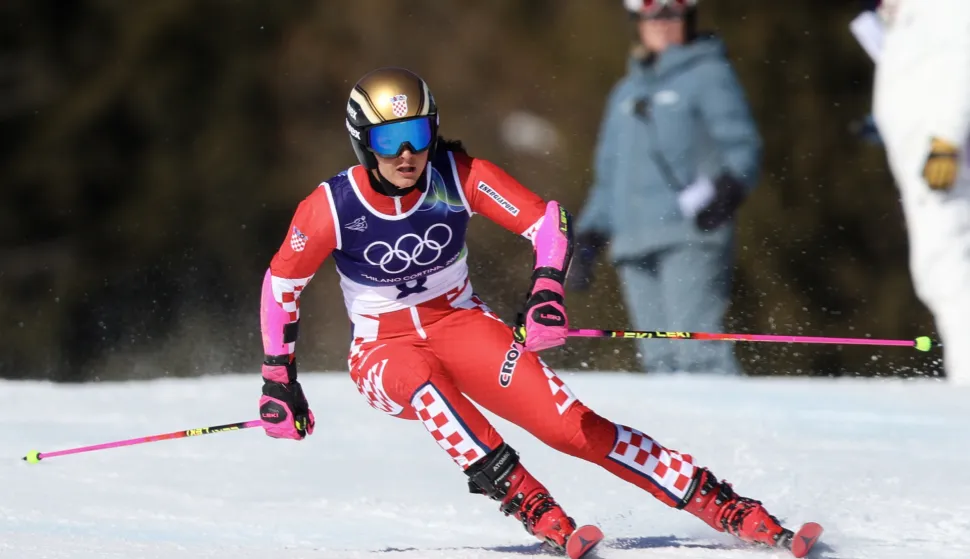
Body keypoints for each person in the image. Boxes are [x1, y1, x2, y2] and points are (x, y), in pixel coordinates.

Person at [256, 67, 805, 556]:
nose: (406, 154)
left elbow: (547, 222)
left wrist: (546, 292)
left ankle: (723, 505)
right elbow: (282, 283)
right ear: (362, 142)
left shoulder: (456, 176)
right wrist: (279, 379)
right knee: (421, 380)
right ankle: (531, 504)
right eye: (389, 140)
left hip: (461, 324)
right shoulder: (332, 206)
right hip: (382, 350)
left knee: (572, 429)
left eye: (418, 135)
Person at [569, 0, 762, 376]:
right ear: (637, 22)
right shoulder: (624, 93)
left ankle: (732, 430)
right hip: (632, 241)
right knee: (658, 360)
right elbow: (609, 177)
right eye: (650, 15)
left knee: (696, 350)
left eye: (670, 14)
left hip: (688, 235)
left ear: (687, 18)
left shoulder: (709, 75)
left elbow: (742, 148)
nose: (660, 23)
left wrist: (726, 191)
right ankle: (679, 437)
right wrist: (589, 236)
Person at [867, 0, 970, 385]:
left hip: (942, 159)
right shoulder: (908, 16)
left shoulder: (943, 7)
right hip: (924, 157)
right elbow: (920, 80)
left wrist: (947, 136)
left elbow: (964, 58)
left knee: (950, 271)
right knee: (939, 271)